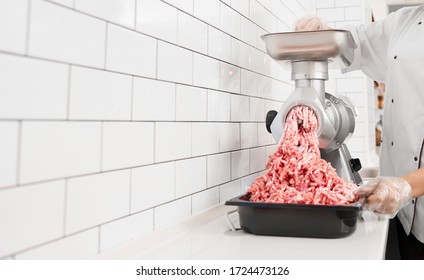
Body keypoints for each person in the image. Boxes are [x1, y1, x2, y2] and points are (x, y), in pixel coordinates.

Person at [296, 5, 424, 259]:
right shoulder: (406, 20)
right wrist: (322, 34)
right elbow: (358, 44)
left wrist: (406, 186)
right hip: (398, 209)